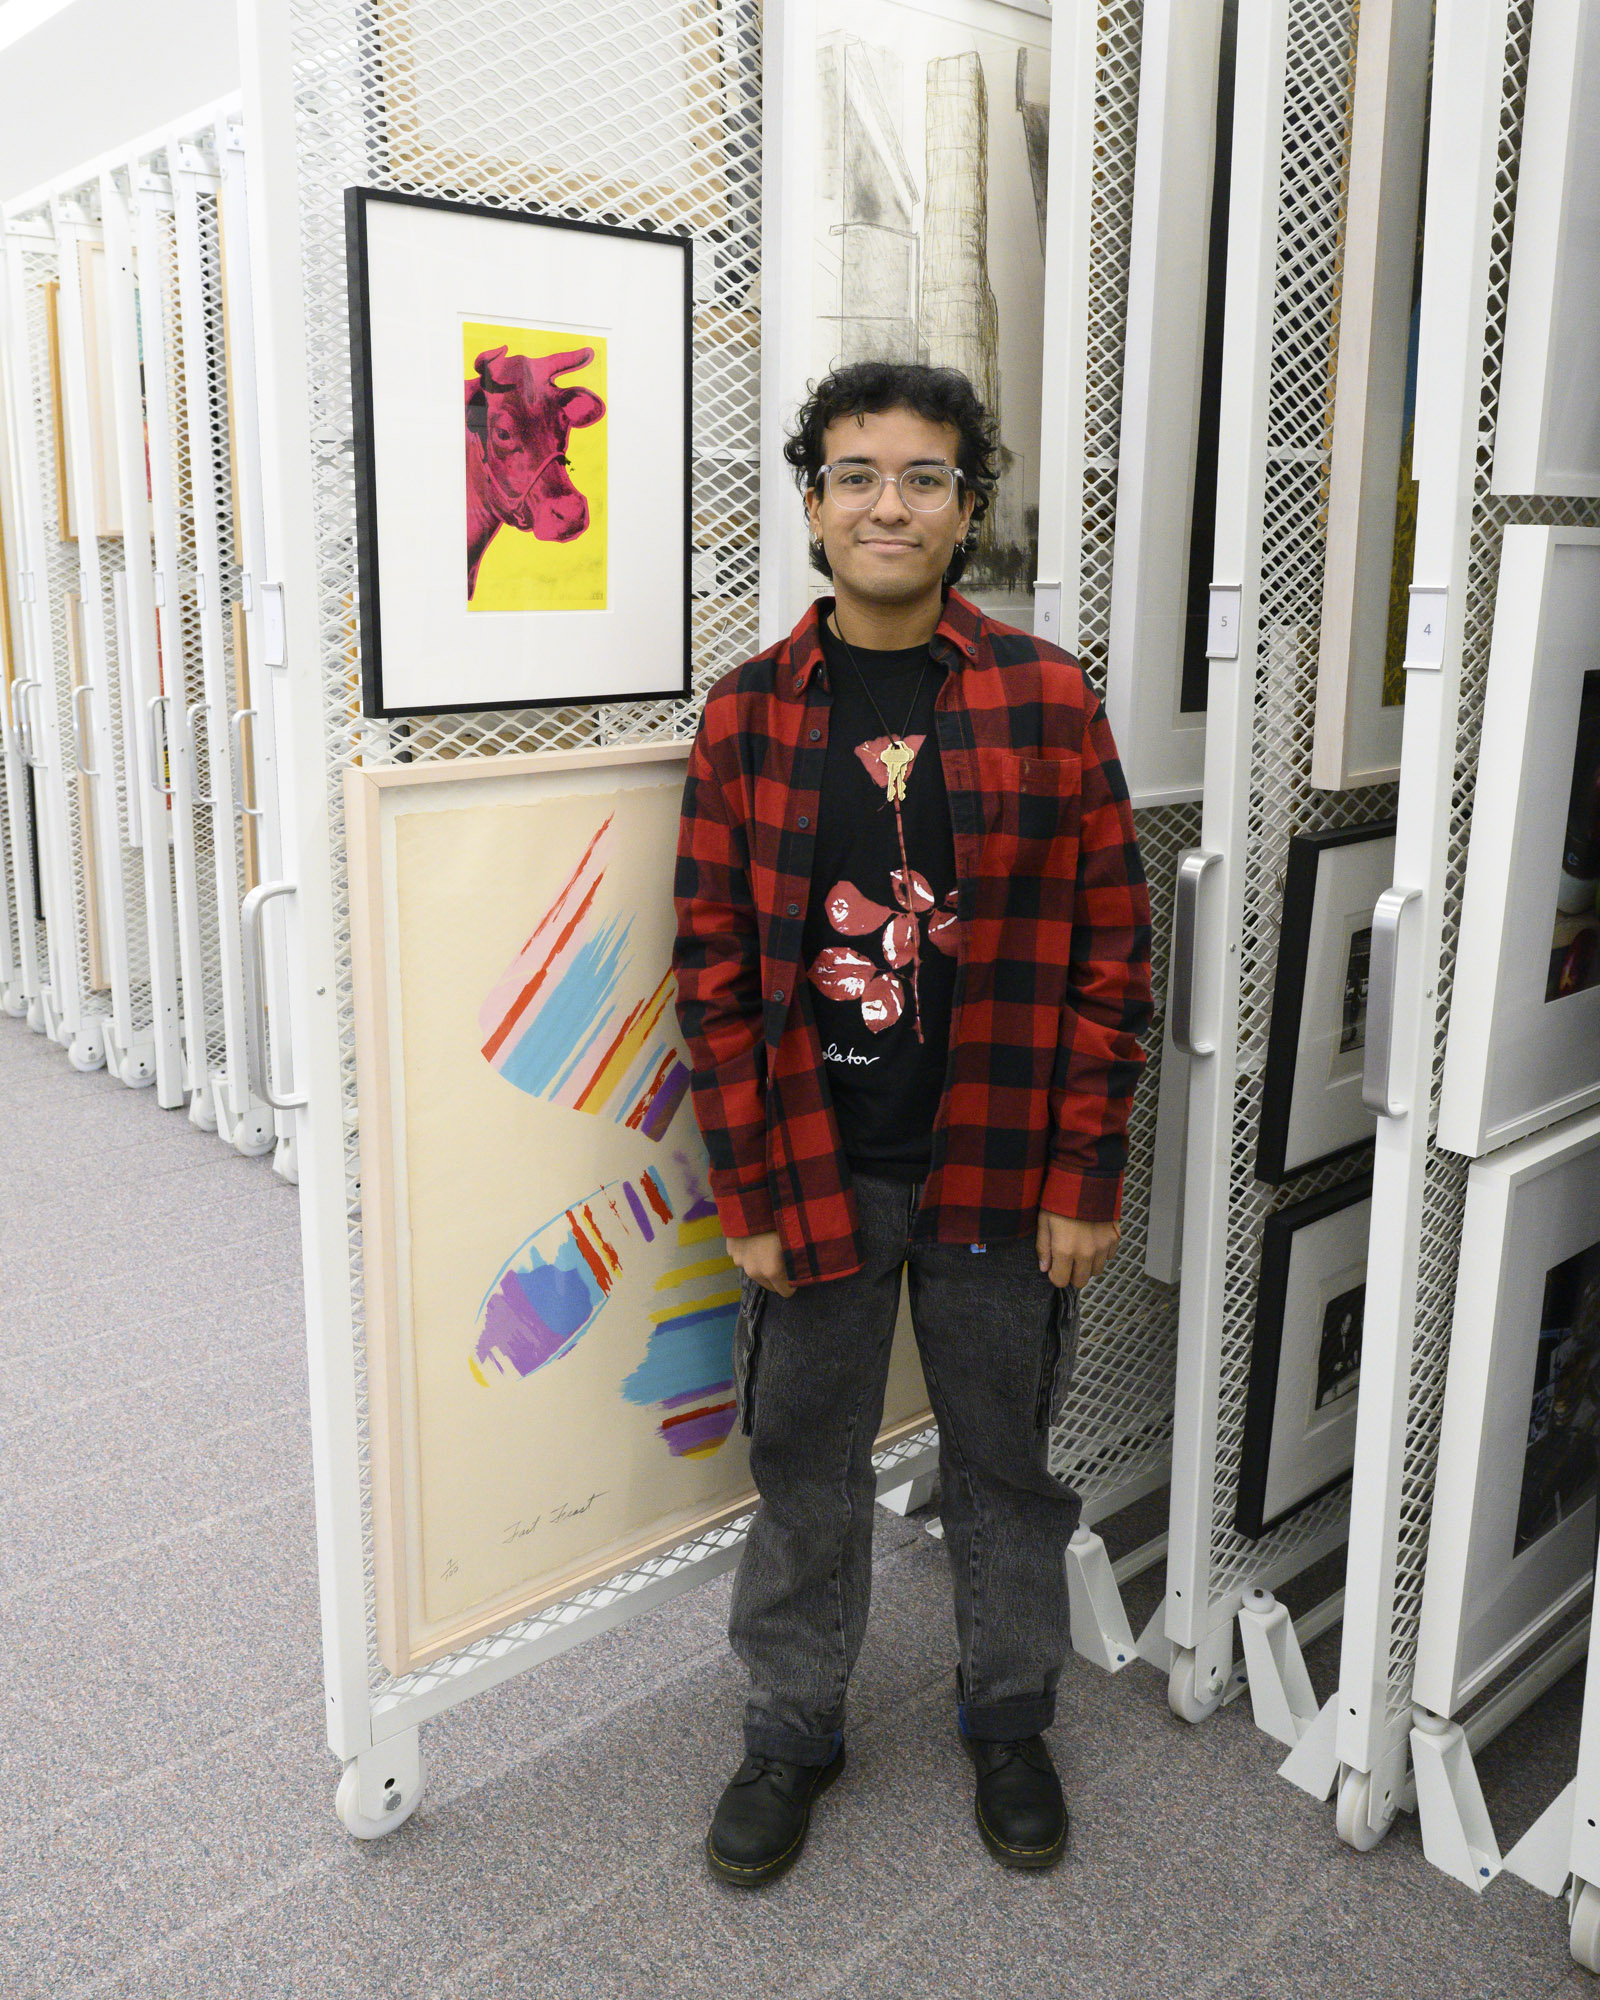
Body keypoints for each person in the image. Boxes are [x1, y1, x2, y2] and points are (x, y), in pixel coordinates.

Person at [672, 360, 1152, 1885]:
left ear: (966, 512)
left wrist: (1086, 1168)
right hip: (814, 1171)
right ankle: (792, 1725)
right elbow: (716, 978)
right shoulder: (747, 717)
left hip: (1003, 1173)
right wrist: (744, 1188)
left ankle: (1008, 1715)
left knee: (1002, 1463)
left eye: (926, 478)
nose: (892, 502)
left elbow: (1110, 951)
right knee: (804, 1457)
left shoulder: (1047, 695)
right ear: (812, 504)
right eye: (860, 474)